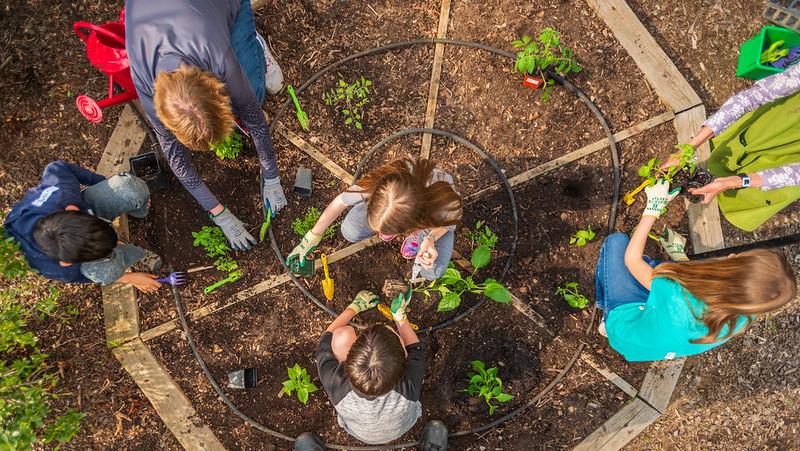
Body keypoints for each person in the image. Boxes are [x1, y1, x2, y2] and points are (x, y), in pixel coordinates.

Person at [125, 0, 287, 251]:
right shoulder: (148, 88)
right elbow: (174, 155)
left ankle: (256, 47)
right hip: (166, 13)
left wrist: (272, 176)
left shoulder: (218, 57)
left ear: (217, 88)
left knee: (254, 91)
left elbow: (253, 117)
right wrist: (218, 213)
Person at [595, 180, 796, 362]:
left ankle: (608, 317)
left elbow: (632, 259)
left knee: (617, 243)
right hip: (649, 348)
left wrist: (653, 209)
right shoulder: (742, 316)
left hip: (626, 330)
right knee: (659, 270)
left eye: (739, 260)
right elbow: (695, 285)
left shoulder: (677, 296)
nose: (733, 256)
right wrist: (680, 258)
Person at [663, 62, 800, 231]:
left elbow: (794, 174)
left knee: (763, 189)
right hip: (780, 121)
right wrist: (690, 146)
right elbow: (754, 97)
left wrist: (734, 182)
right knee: (744, 143)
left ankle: (732, 197)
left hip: (792, 156)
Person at [308, 290, 447, 449]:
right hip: (402, 427)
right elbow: (416, 349)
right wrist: (400, 318)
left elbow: (324, 342)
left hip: (358, 432)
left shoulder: (337, 384)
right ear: (402, 365)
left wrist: (354, 307)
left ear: (351, 358)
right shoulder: (407, 386)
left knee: (342, 335)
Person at [286, 156, 462, 280]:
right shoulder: (385, 181)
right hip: (408, 214)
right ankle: (389, 224)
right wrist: (312, 237)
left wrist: (430, 239)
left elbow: (447, 225)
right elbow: (340, 202)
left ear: (413, 224)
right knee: (350, 230)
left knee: (433, 272)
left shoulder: (445, 202)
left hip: (430, 224)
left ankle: (418, 236)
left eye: (389, 230)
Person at [3, 161, 163, 293]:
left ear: (72, 208)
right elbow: (86, 277)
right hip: (79, 232)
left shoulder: (62, 194)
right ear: (67, 262)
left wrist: (104, 187)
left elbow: (58, 167)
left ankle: (138, 208)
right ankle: (136, 254)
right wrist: (130, 278)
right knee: (106, 272)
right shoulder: (54, 267)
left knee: (128, 188)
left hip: (87, 205)